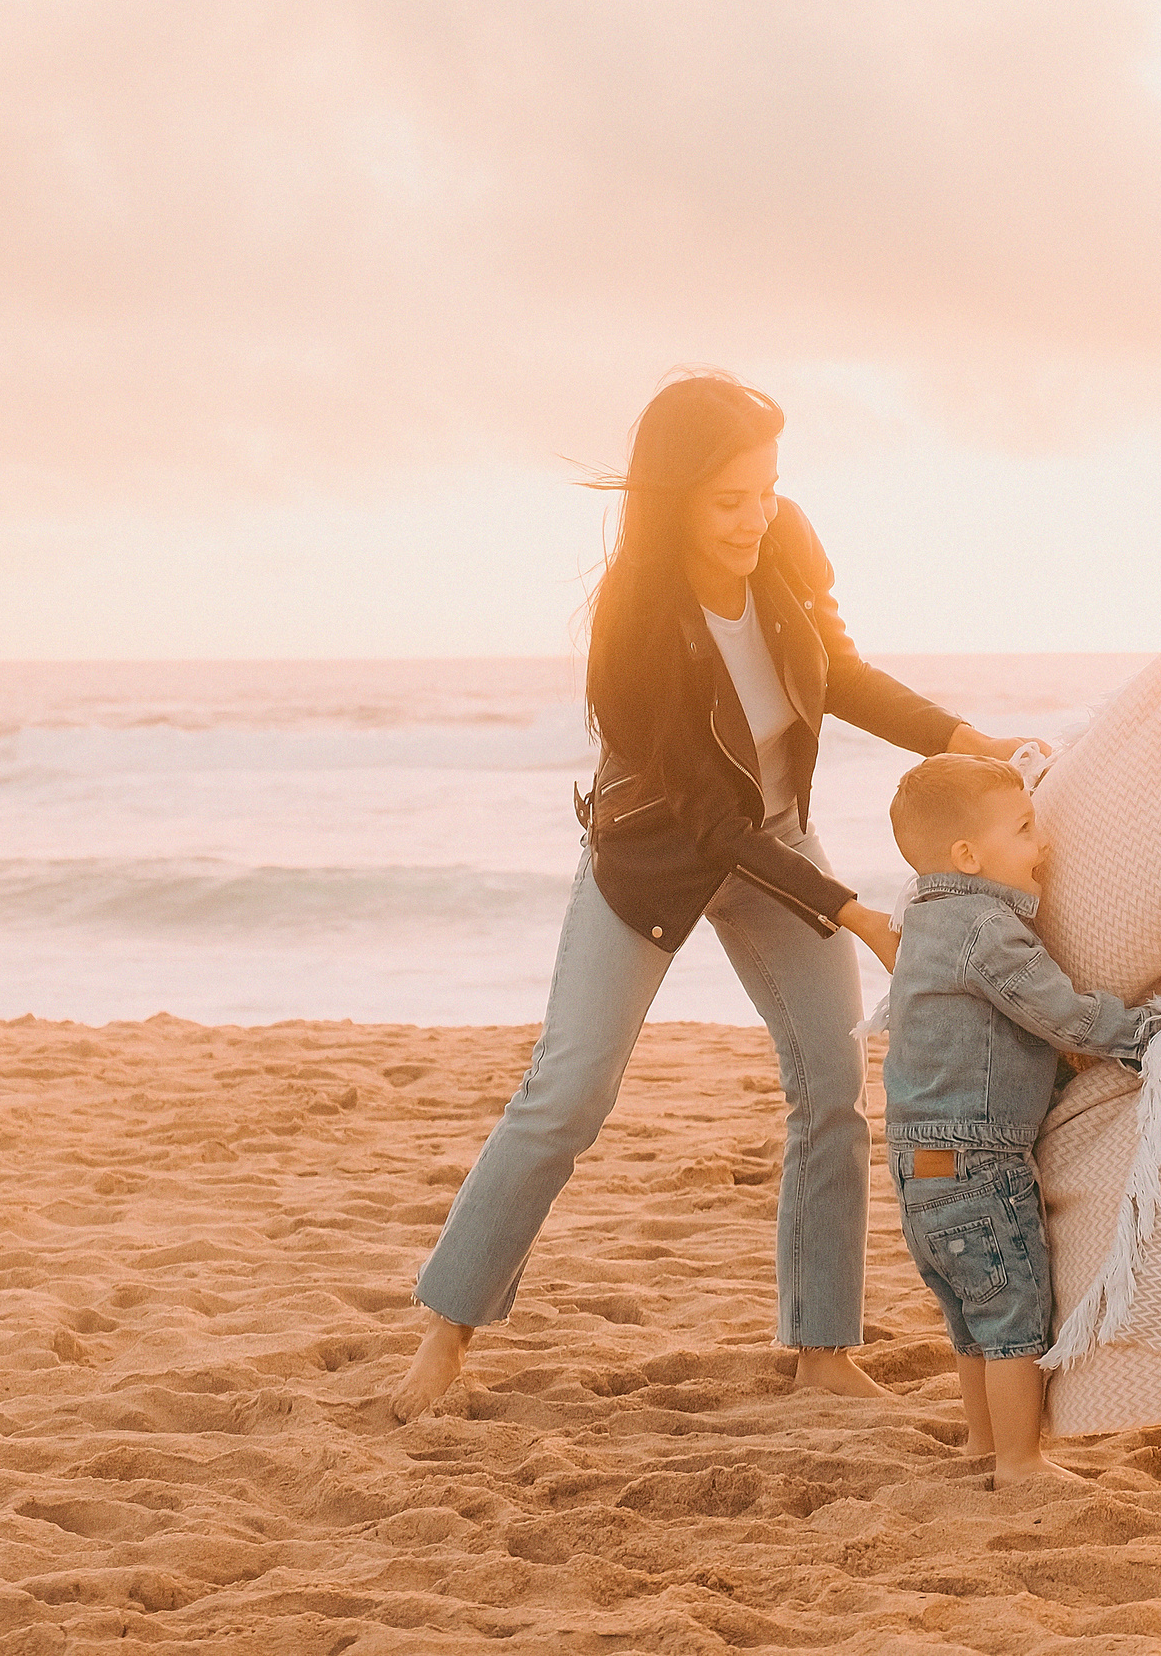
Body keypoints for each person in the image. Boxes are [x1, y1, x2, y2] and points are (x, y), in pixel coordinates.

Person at [391, 372, 1039, 1422]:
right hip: (658, 854)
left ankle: (822, 1348)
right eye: (728, 501)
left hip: (777, 841)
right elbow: (704, 821)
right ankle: (445, 1335)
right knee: (569, 1092)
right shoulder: (635, 623)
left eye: (767, 491)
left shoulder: (784, 544)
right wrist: (853, 909)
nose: (755, 519)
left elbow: (839, 672)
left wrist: (971, 743)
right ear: (675, 498)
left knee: (831, 1086)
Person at [879, 754, 1161, 1485]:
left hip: (919, 1164)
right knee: (1014, 1311)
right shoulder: (986, 928)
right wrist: (1139, 1034)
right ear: (970, 856)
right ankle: (1020, 1459)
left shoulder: (925, 921)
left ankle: (984, 1445)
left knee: (972, 1318)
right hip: (979, 1157)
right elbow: (1055, 1009)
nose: (1044, 845)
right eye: (1026, 828)